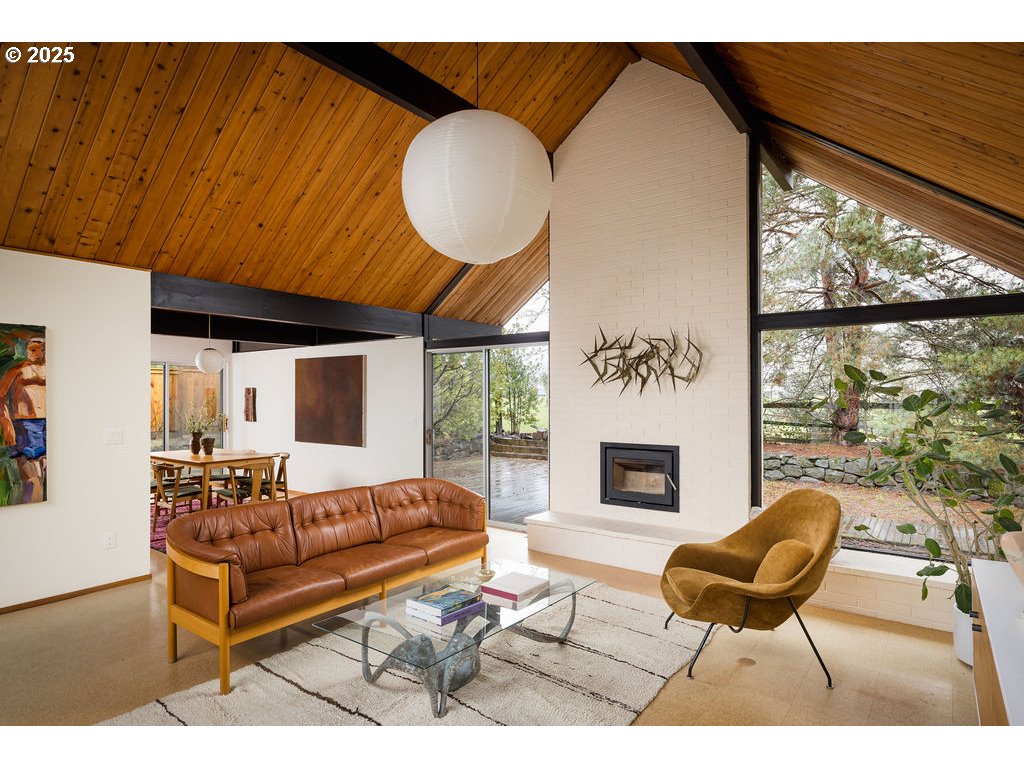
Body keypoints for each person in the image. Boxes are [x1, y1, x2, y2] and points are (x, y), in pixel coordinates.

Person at [0, 336, 46, 461]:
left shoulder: (52, 370)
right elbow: (1, 395)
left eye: (43, 350)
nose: (39, 354)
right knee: (31, 469)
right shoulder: (17, 370)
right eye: (33, 350)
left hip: (48, 424)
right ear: (26, 350)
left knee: (48, 466)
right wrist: (6, 424)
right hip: (25, 424)